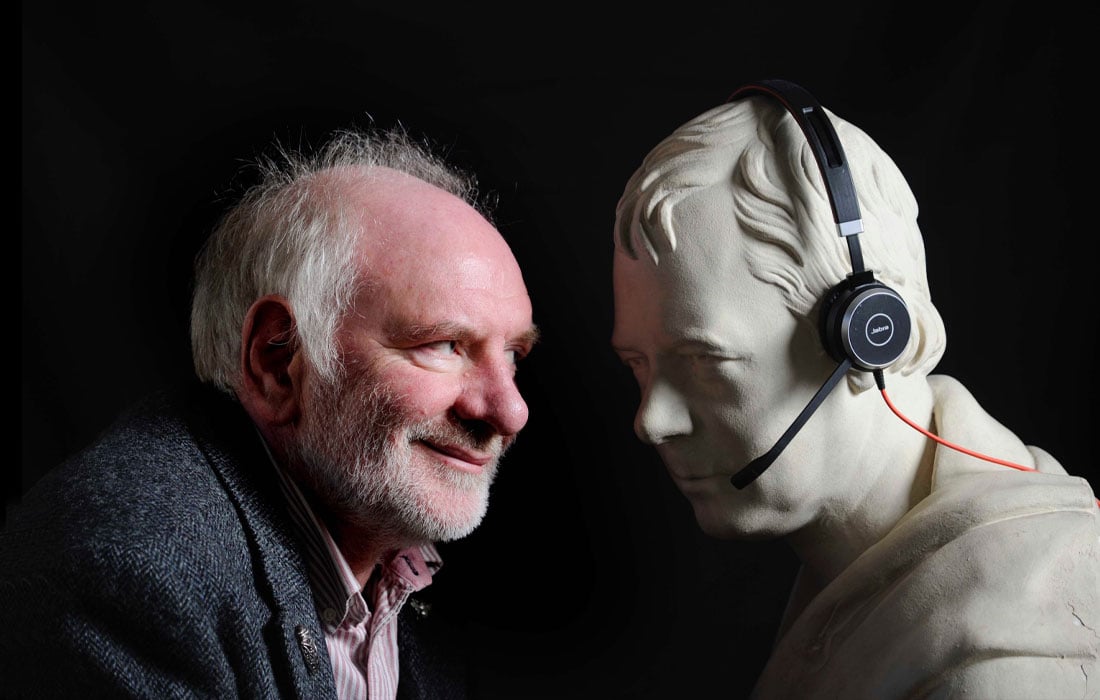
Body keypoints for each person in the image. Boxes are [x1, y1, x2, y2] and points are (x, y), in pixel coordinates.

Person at [2, 126, 538, 698]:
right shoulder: (130, 576)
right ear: (278, 361)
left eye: (513, 355)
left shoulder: (397, 566)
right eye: (444, 345)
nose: (509, 411)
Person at [610, 80, 1099, 698]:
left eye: (704, 361)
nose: (651, 420)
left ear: (870, 337)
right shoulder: (861, 567)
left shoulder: (998, 669)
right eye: (637, 364)